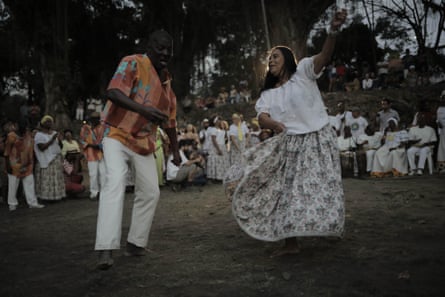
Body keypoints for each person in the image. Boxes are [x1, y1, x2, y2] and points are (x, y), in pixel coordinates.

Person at [227, 10, 347, 257]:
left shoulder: (303, 71)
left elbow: (325, 56)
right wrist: (275, 125)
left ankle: (324, 226)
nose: (271, 60)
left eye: (276, 56)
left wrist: (332, 30)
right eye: (269, 58)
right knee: (286, 190)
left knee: (321, 187)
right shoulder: (268, 94)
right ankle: (291, 243)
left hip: (317, 139)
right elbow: (262, 117)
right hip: (289, 144)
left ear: (288, 59)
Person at [94, 30, 180, 270]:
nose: (164, 53)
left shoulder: (167, 83)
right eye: (159, 47)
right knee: (115, 180)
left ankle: (135, 243)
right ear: (148, 46)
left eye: (168, 49)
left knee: (151, 191)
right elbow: (113, 91)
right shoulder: (132, 62)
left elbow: (171, 121)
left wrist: (175, 151)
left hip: (143, 143)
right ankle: (105, 247)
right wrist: (143, 110)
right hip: (116, 134)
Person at [4, 122, 44, 211]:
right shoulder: (11, 136)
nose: (24, 129)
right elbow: (6, 152)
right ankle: (12, 204)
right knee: (13, 185)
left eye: (26, 127)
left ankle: (32, 203)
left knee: (29, 184)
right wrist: (8, 165)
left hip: (28, 164)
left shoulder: (29, 136)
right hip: (14, 165)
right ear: (16, 127)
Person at [34, 115, 66, 201]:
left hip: (56, 159)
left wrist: (59, 140)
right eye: (47, 121)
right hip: (46, 160)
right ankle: (45, 197)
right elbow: (41, 148)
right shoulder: (39, 135)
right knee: (47, 180)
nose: (49, 123)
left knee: (56, 179)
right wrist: (52, 140)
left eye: (50, 121)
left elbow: (61, 146)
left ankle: (56, 196)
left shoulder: (55, 133)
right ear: (42, 123)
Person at [79, 112, 108, 200]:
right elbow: (82, 140)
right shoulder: (85, 128)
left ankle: (104, 193)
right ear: (90, 119)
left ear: (99, 119)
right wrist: (90, 145)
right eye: (93, 118)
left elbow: (106, 139)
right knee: (93, 174)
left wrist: (99, 146)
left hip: (102, 153)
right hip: (91, 154)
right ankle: (94, 193)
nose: (95, 120)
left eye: (96, 118)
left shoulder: (103, 128)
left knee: (103, 174)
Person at [206, 116, 229, 182]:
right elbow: (214, 140)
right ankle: (215, 178)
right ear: (215, 121)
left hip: (222, 145)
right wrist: (218, 149)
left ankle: (222, 176)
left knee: (222, 161)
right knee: (216, 161)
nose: (220, 121)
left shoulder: (221, 129)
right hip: (216, 146)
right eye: (218, 120)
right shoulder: (213, 129)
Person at [437, 91, 445, 173]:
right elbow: (438, 119)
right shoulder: (440, 109)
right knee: (442, 148)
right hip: (443, 131)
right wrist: (438, 122)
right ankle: (442, 167)